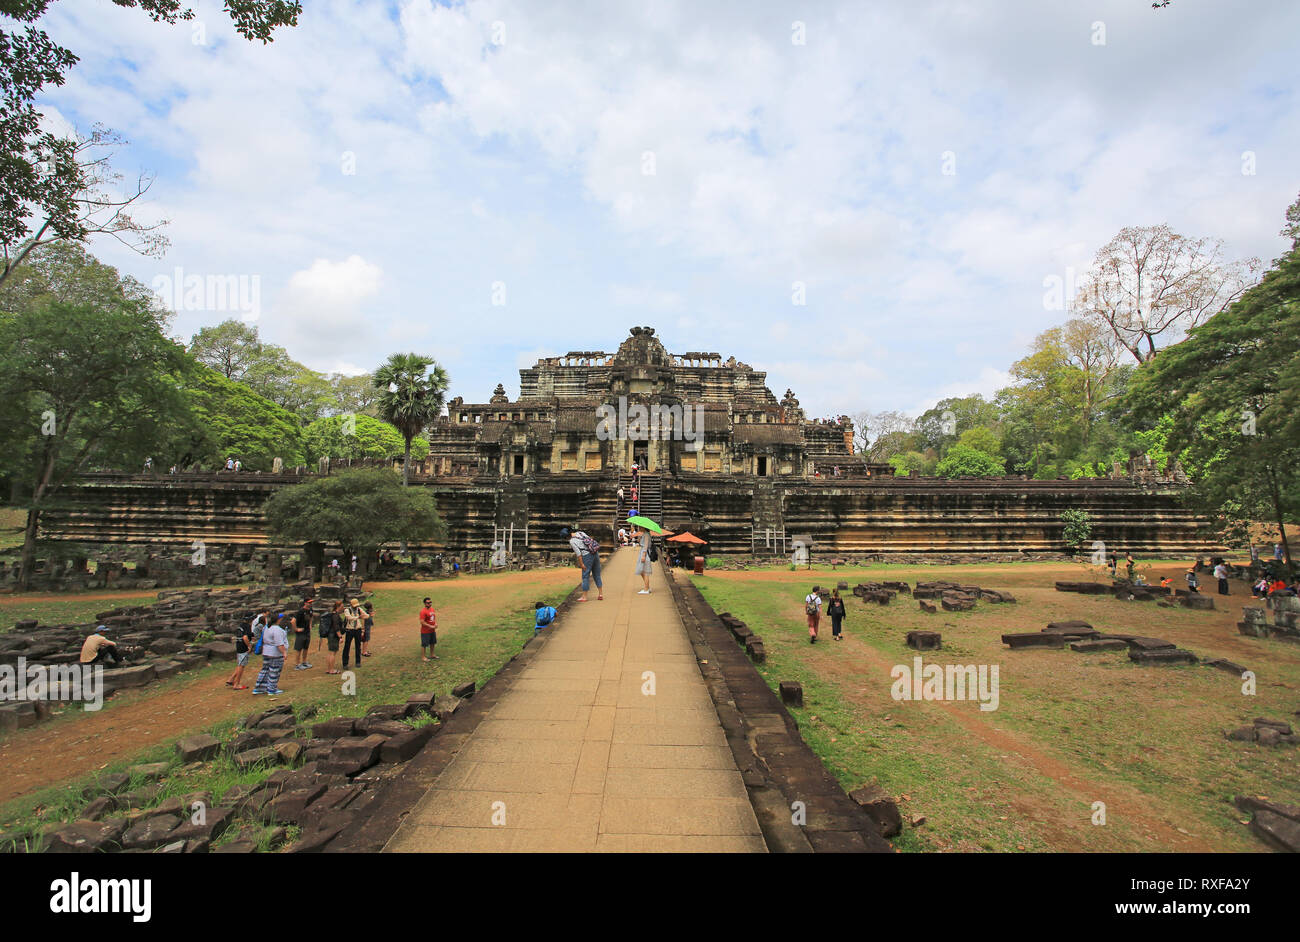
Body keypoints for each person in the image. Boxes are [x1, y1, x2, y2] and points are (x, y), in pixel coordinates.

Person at [562, 527, 603, 601]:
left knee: (585, 576)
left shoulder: (572, 541)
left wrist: (581, 564)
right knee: (597, 574)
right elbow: (590, 542)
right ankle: (600, 594)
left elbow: (579, 554)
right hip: (595, 552)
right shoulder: (581, 533)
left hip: (586, 556)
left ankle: (584, 596)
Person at [252, 615, 289, 697]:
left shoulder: (267, 627)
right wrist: (284, 653)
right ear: (279, 620)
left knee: (265, 669)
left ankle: (260, 687)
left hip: (266, 651)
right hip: (275, 653)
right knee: (274, 670)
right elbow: (279, 643)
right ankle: (272, 689)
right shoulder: (277, 630)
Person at [226, 616, 255, 689]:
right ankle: (237, 684)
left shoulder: (241, 625)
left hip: (238, 645)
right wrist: (249, 646)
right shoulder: (247, 626)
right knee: (241, 666)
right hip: (243, 647)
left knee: (240, 664)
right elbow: (245, 637)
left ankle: (231, 679)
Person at [341, 597, 366, 670]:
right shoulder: (347, 610)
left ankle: (358, 662)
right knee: (347, 646)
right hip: (350, 630)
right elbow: (349, 618)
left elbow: (366, 615)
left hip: (357, 629)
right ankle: (345, 663)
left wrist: (362, 616)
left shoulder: (359, 609)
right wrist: (358, 617)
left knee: (358, 646)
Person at [319, 600, 342, 674]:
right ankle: (331, 669)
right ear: (339, 606)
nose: (343, 607)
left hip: (330, 635)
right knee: (333, 653)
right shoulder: (335, 615)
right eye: (342, 606)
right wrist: (340, 636)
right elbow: (336, 627)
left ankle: (329, 669)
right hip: (333, 635)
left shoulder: (332, 614)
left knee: (330, 652)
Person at [292, 598, 313, 671]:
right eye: (309, 602)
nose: (310, 604)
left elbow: (311, 617)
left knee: (306, 648)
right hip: (301, 633)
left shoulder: (310, 610)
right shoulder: (300, 611)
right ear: (305, 603)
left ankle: (304, 661)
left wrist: (310, 625)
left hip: (307, 632)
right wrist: (296, 629)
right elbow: (293, 621)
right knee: (298, 649)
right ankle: (297, 664)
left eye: (311, 602)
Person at [634, 525, 653, 594]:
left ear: (643, 527)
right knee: (642, 571)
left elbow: (645, 545)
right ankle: (647, 587)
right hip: (642, 552)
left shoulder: (647, 535)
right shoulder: (644, 534)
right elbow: (640, 542)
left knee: (644, 571)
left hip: (644, 553)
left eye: (640, 527)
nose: (639, 528)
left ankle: (646, 589)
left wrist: (643, 555)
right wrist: (639, 536)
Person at [419, 596, 439, 661]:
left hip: (432, 630)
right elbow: (422, 622)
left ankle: (432, 654)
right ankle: (423, 657)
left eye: (430, 602)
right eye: (428, 603)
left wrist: (435, 624)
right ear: (425, 603)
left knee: (432, 643)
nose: (429, 604)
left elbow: (433, 618)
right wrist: (430, 626)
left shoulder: (432, 609)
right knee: (424, 644)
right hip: (425, 631)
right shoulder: (423, 611)